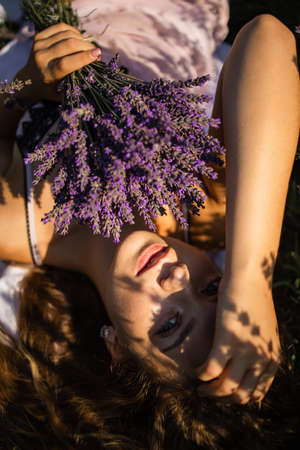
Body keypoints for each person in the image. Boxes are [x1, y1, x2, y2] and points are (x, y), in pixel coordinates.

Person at [0, 6, 299, 448]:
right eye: (213, 289)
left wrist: (27, 85)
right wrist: (250, 278)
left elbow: (9, 99)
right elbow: (268, 38)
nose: (179, 277)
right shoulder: (200, 212)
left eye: (170, 326)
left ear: (117, 346)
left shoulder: (21, 225)